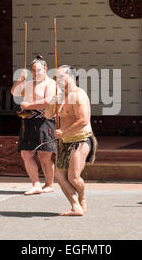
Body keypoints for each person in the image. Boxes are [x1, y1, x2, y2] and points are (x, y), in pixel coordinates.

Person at [45, 65, 97, 216]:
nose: (58, 80)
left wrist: (64, 132)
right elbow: (48, 115)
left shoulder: (79, 95)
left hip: (80, 139)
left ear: (72, 77)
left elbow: (83, 120)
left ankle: (81, 198)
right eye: (57, 77)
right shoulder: (60, 96)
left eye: (61, 77)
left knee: (73, 177)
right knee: (59, 176)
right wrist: (51, 102)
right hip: (64, 140)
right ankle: (75, 206)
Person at [11, 54, 57, 195]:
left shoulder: (51, 84)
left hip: (45, 121)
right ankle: (35, 184)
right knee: (26, 153)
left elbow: (47, 101)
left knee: (44, 155)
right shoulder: (29, 84)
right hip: (29, 121)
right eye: (33, 70)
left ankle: (49, 184)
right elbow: (14, 92)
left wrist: (28, 105)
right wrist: (20, 81)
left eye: (38, 70)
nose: (36, 73)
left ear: (45, 68)